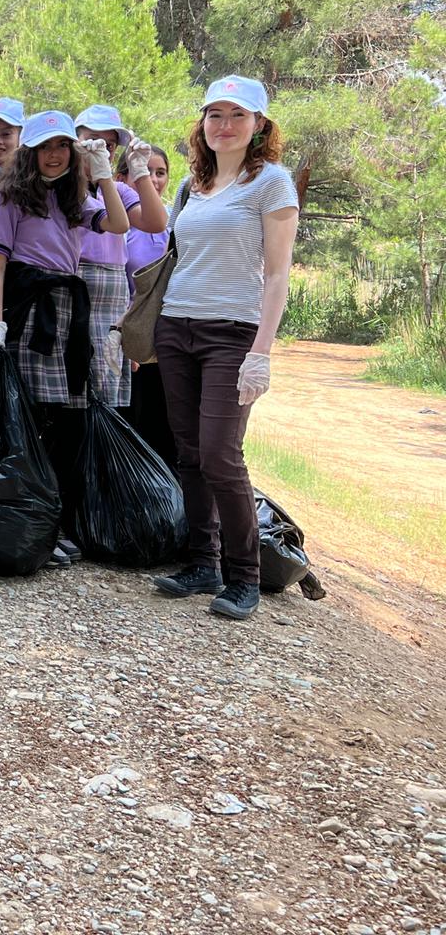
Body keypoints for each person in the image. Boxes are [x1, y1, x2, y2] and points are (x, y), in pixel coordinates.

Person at [152, 76, 298, 621]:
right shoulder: (193, 185)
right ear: (203, 124)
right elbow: (176, 257)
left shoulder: (272, 183)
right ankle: (202, 562)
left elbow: (278, 275)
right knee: (188, 452)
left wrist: (262, 350)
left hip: (232, 334)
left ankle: (244, 576)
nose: (225, 125)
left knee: (220, 454)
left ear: (259, 125)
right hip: (176, 326)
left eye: (238, 115)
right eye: (215, 115)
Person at [0, 111, 130, 565]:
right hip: (28, 308)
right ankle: (29, 518)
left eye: (62, 147)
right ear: (31, 152)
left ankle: (54, 522)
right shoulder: (12, 197)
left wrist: (103, 175)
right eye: (46, 147)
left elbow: (121, 225)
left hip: (68, 309)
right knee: (30, 416)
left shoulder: (76, 198)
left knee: (64, 417)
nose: (54, 155)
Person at [73, 105, 168, 409]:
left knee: (104, 392)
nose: (101, 150)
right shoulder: (61, 188)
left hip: (111, 297)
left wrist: (139, 172)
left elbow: (156, 221)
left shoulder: (116, 191)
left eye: (109, 145)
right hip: (72, 288)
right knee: (70, 387)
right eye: (92, 141)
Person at [118, 145, 177, 468]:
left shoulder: (172, 227)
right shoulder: (115, 227)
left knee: (165, 429)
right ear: (120, 179)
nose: (152, 180)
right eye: (141, 172)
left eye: (160, 173)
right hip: (127, 346)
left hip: (165, 344)